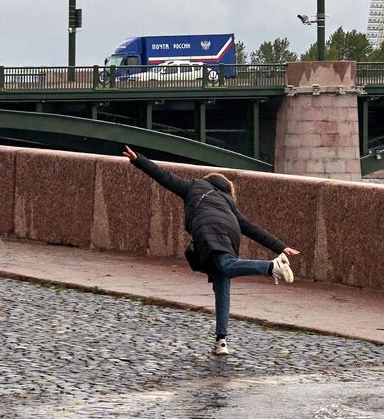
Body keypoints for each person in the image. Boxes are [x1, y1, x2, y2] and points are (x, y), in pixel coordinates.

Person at [124, 146, 299, 356]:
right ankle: (221, 340)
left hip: (207, 229)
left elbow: (164, 177)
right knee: (222, 282)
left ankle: (271, 267)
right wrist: (280, 246)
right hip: (229, 232)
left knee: (225, 265)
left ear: (209, 179)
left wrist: (138, 159)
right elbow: (251, 228)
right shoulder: (228, 203)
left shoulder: (193, 186)